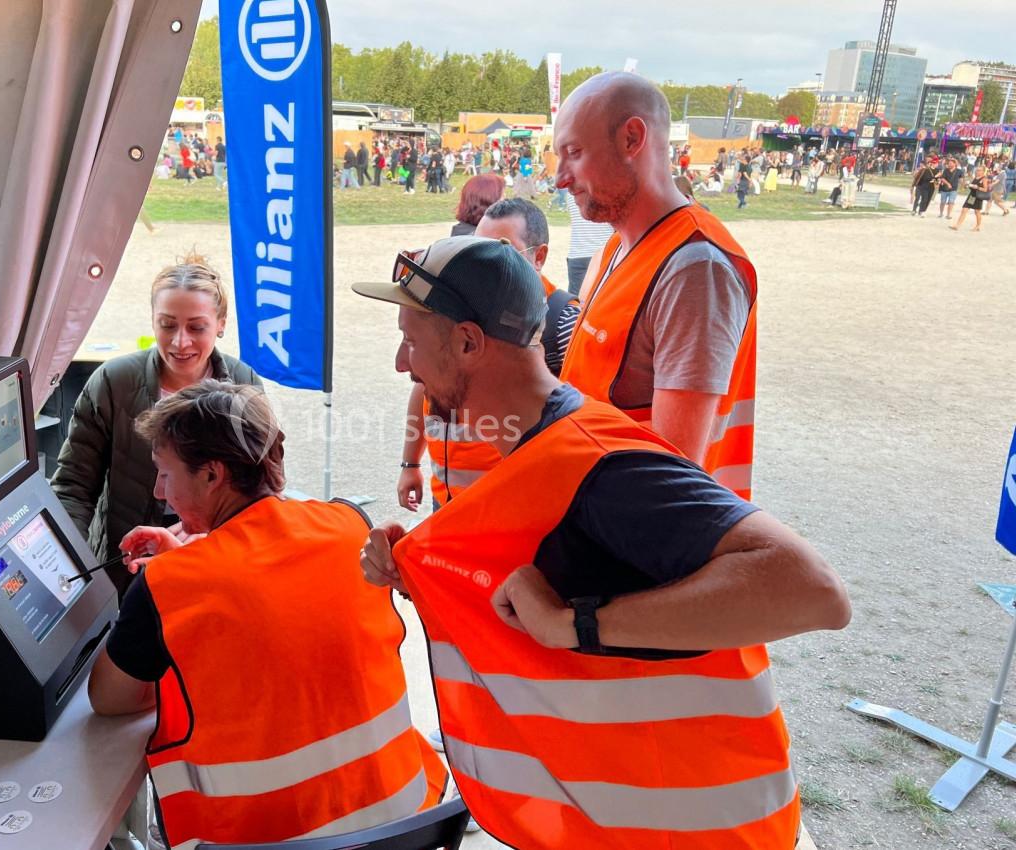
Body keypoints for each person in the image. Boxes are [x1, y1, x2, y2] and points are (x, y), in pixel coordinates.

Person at [352, 235, 850, 849]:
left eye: (411, 339)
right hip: (633, 821)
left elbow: (813, 590)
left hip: (701, 833)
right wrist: (426, 568)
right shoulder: (538, 451)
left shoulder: (601, 463)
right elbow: (550, 576)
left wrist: (577, 624)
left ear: (467, 342)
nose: (403, 364)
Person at [87, 381, 447, 848]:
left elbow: (108, 698)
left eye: (164, 473)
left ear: (213, 474)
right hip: (401, 821)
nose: (159, 491)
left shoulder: (169, 583)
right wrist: (195, 558)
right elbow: (287, 622)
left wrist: (174, 588)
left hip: (261, 839)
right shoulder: (349, 525)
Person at [555, 71, 758, 499]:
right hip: (598, 514)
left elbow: (672, 477)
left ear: (632, 139)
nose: (560, 178)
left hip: (639, 540)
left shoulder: (694, 268)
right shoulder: (618, 246)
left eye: (573, 153)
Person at [51, 257, 261, 597]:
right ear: (152, 321)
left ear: (220, 324)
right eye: (167, 325)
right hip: (123, 564)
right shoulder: (113, 382)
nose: (180, 342)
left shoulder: (243, 383)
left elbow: (258, 492)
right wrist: (65, 563)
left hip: (212, 564)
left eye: (196, 327)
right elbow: (74, 485)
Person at [398, 203, 578, 513]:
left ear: (540, 256)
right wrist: (410, 461)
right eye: (477, 247)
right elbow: (423, 386)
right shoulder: (463, 309)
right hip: (447, 499)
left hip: (507, 508)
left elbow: (573, 434)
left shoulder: (564, 322)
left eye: (504, 250)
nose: (485, 263)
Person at [450, 173, 504, 237]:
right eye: (502, 196)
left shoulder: (461, 231)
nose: (505, 200)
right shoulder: (486, 239)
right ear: (489, 201)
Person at [951, 165, 994, 232]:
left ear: (983, 171)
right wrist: (967, 185)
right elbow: (971, 186)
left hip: (978, 197)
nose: (977, 171)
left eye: (979, 170)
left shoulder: (984, 179)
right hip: (972, 196)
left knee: (977, 212)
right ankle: (957, 225)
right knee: (964, 210)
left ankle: (978, 226)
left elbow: (985, 189)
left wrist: (977, 187)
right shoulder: (976, 177)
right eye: (977, 170)